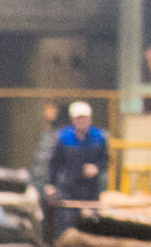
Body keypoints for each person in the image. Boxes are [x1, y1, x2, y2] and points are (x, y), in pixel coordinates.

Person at [45, 99, 110, 234]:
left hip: (90, 189)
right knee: (67, 223)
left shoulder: (99, 138)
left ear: (90, 119)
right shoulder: (64, 137)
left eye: (84, 119)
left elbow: (106, 160)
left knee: (91, 223)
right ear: (73, 120)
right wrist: (51, 184)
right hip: (69, 188)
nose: (82, 122)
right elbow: (55, 162)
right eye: (78, 119)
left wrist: (97, 168)